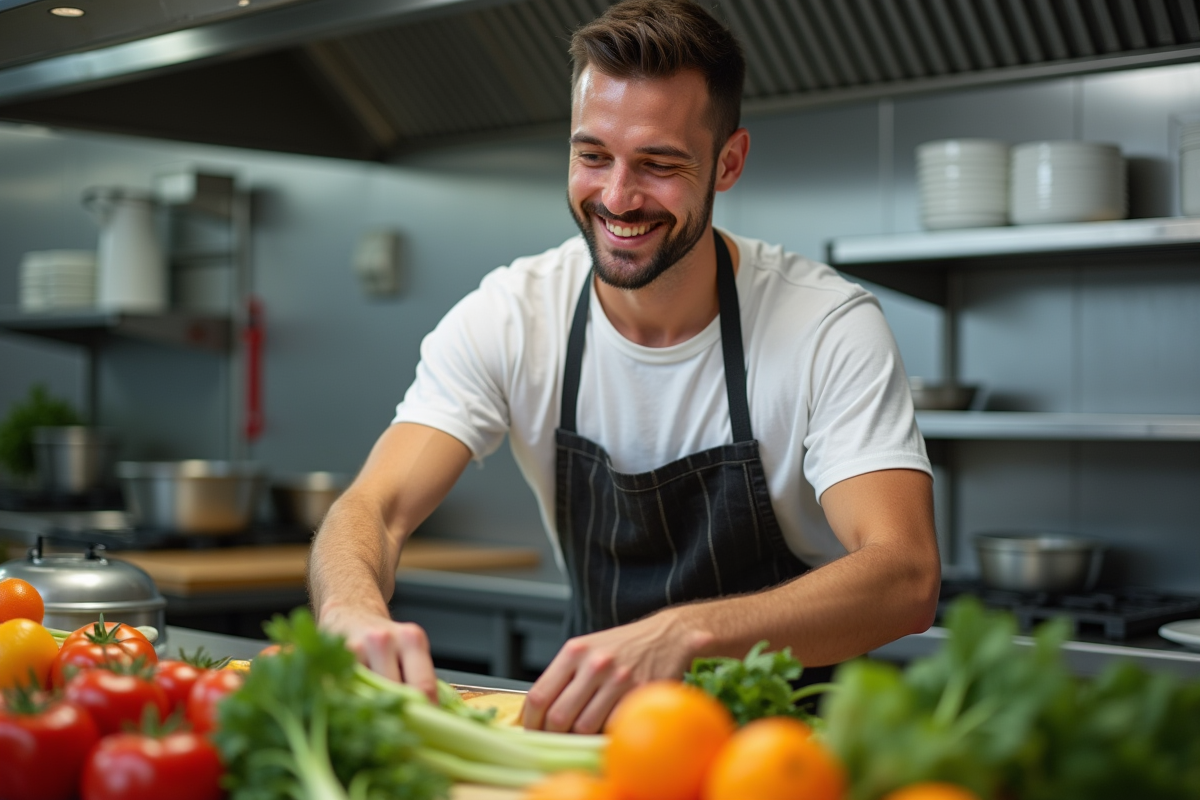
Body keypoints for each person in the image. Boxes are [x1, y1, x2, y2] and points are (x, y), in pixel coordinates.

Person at [308, 0, 941, 735]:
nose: (616, 197)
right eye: (592, 155)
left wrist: (683, 634)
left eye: (658, 164)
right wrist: (349, 607)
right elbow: (373, 509)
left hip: (782, 750)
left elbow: (904, 573)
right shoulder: (513, 316)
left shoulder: (826, 326)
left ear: (728, 162)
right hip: (593, 741)